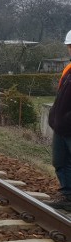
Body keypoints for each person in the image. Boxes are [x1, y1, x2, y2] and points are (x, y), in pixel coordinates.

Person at [47, 30, 71, 209]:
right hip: (61, 127)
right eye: (69, 46)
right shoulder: (68, 70)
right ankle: (67, 196)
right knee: (60, 161)